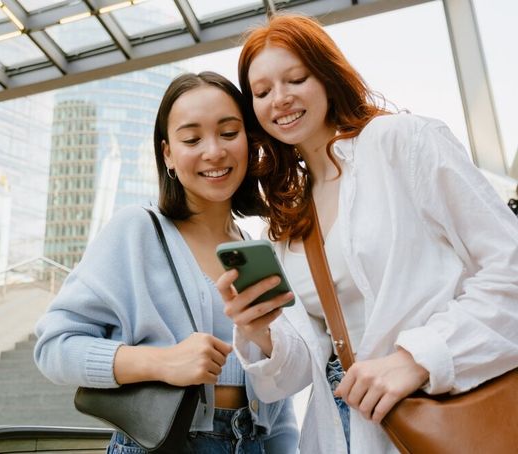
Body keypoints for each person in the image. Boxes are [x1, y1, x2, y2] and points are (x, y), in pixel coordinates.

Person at [215, 13, 518, 454]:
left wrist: (419, 357)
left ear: (326, 74)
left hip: (446, 411)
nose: (279, 99)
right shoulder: (289, 219)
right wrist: (260, 330)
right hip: (344, 430)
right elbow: (300, 369)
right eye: (261, 92)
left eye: (295, 79)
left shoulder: (402, 143)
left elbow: (510, 267)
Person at [34, 71, 299, 453]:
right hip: (164, 443)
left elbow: (279, 400)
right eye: (192, 139)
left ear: (250, 142)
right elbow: (54, 347)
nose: (214, 151)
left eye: (228, 133)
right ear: (168, 154)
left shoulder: (259, 251)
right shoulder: (136, 230)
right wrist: (160, 362)